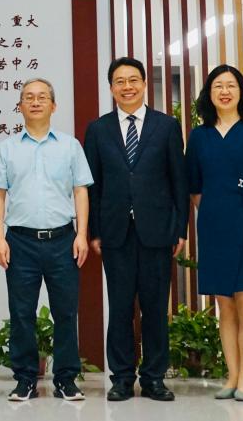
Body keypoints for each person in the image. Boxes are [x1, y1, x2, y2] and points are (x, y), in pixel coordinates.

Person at [83, 57, 188, 402]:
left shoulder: (166, 126)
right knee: (120, 307)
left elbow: (178, 180)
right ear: (111, 88)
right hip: (115, 233)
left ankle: (154, 378)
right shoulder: (98, 129)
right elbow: (93, 186)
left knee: (155, 308)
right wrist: (94, 230)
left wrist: (180, 229)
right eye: (119, 81)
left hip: (157, 230)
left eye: (133, 80)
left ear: (144, 84)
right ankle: (122, 378)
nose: (127, 87)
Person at [0, 78, 93, 402]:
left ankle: (66, 380)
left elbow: (80, 191)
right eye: (28, 97)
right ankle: (25, 380)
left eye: (42, 97)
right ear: (20, 106)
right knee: (22, 314)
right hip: (20, 241)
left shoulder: (70, 146)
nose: (35, 102)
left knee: (66, 313)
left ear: (53, 105)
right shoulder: (7, 148)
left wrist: (82, 235)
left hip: (63, 240)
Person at [185, 65, 243, 402]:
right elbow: (194, 187)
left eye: (231, 85)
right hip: (213, 224)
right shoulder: (199, 136)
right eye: (218, 86)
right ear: (208, 94)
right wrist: (213, 210)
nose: (224, 91)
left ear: (241, 92)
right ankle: (231, 376)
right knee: (224, 304)